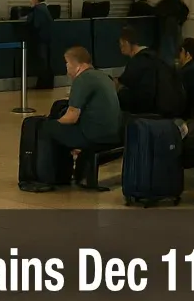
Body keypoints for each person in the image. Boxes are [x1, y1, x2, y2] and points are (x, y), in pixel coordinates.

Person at [22, 47, 122, 193]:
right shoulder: (103, 76)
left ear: (79, 66)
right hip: (113, 132)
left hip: (93, 134)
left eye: (67, 64)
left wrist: (54, 124)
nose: (66, 68)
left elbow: (71, 117)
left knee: (46, 128)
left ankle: (45, 177)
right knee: (58, 129)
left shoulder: (82, 80)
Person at [116, 26, 185, 117]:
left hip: (146, 114)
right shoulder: (158, 58)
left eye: (121, 45)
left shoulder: (137, 62)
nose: (121, 49)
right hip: (166, 111)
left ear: (126, 42)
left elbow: (125, 85)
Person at [25, 0, 54, 89]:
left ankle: (43, 84)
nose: (30, 0)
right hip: (47, 39)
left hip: (40, 40)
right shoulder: (45, 9)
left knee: (42, 62)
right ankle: (47, 83)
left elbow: (35, 24)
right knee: (46, 62)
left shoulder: (37, 10)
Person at [153, 0, 188, 65]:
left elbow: (157, 11)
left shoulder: (166, 3)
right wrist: (180, 21)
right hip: (176, 26)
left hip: (167, 27)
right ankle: (177, 62)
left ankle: (171, 64)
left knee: (168, 46)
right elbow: (185, 10)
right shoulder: (178, 0)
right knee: (177, 44)